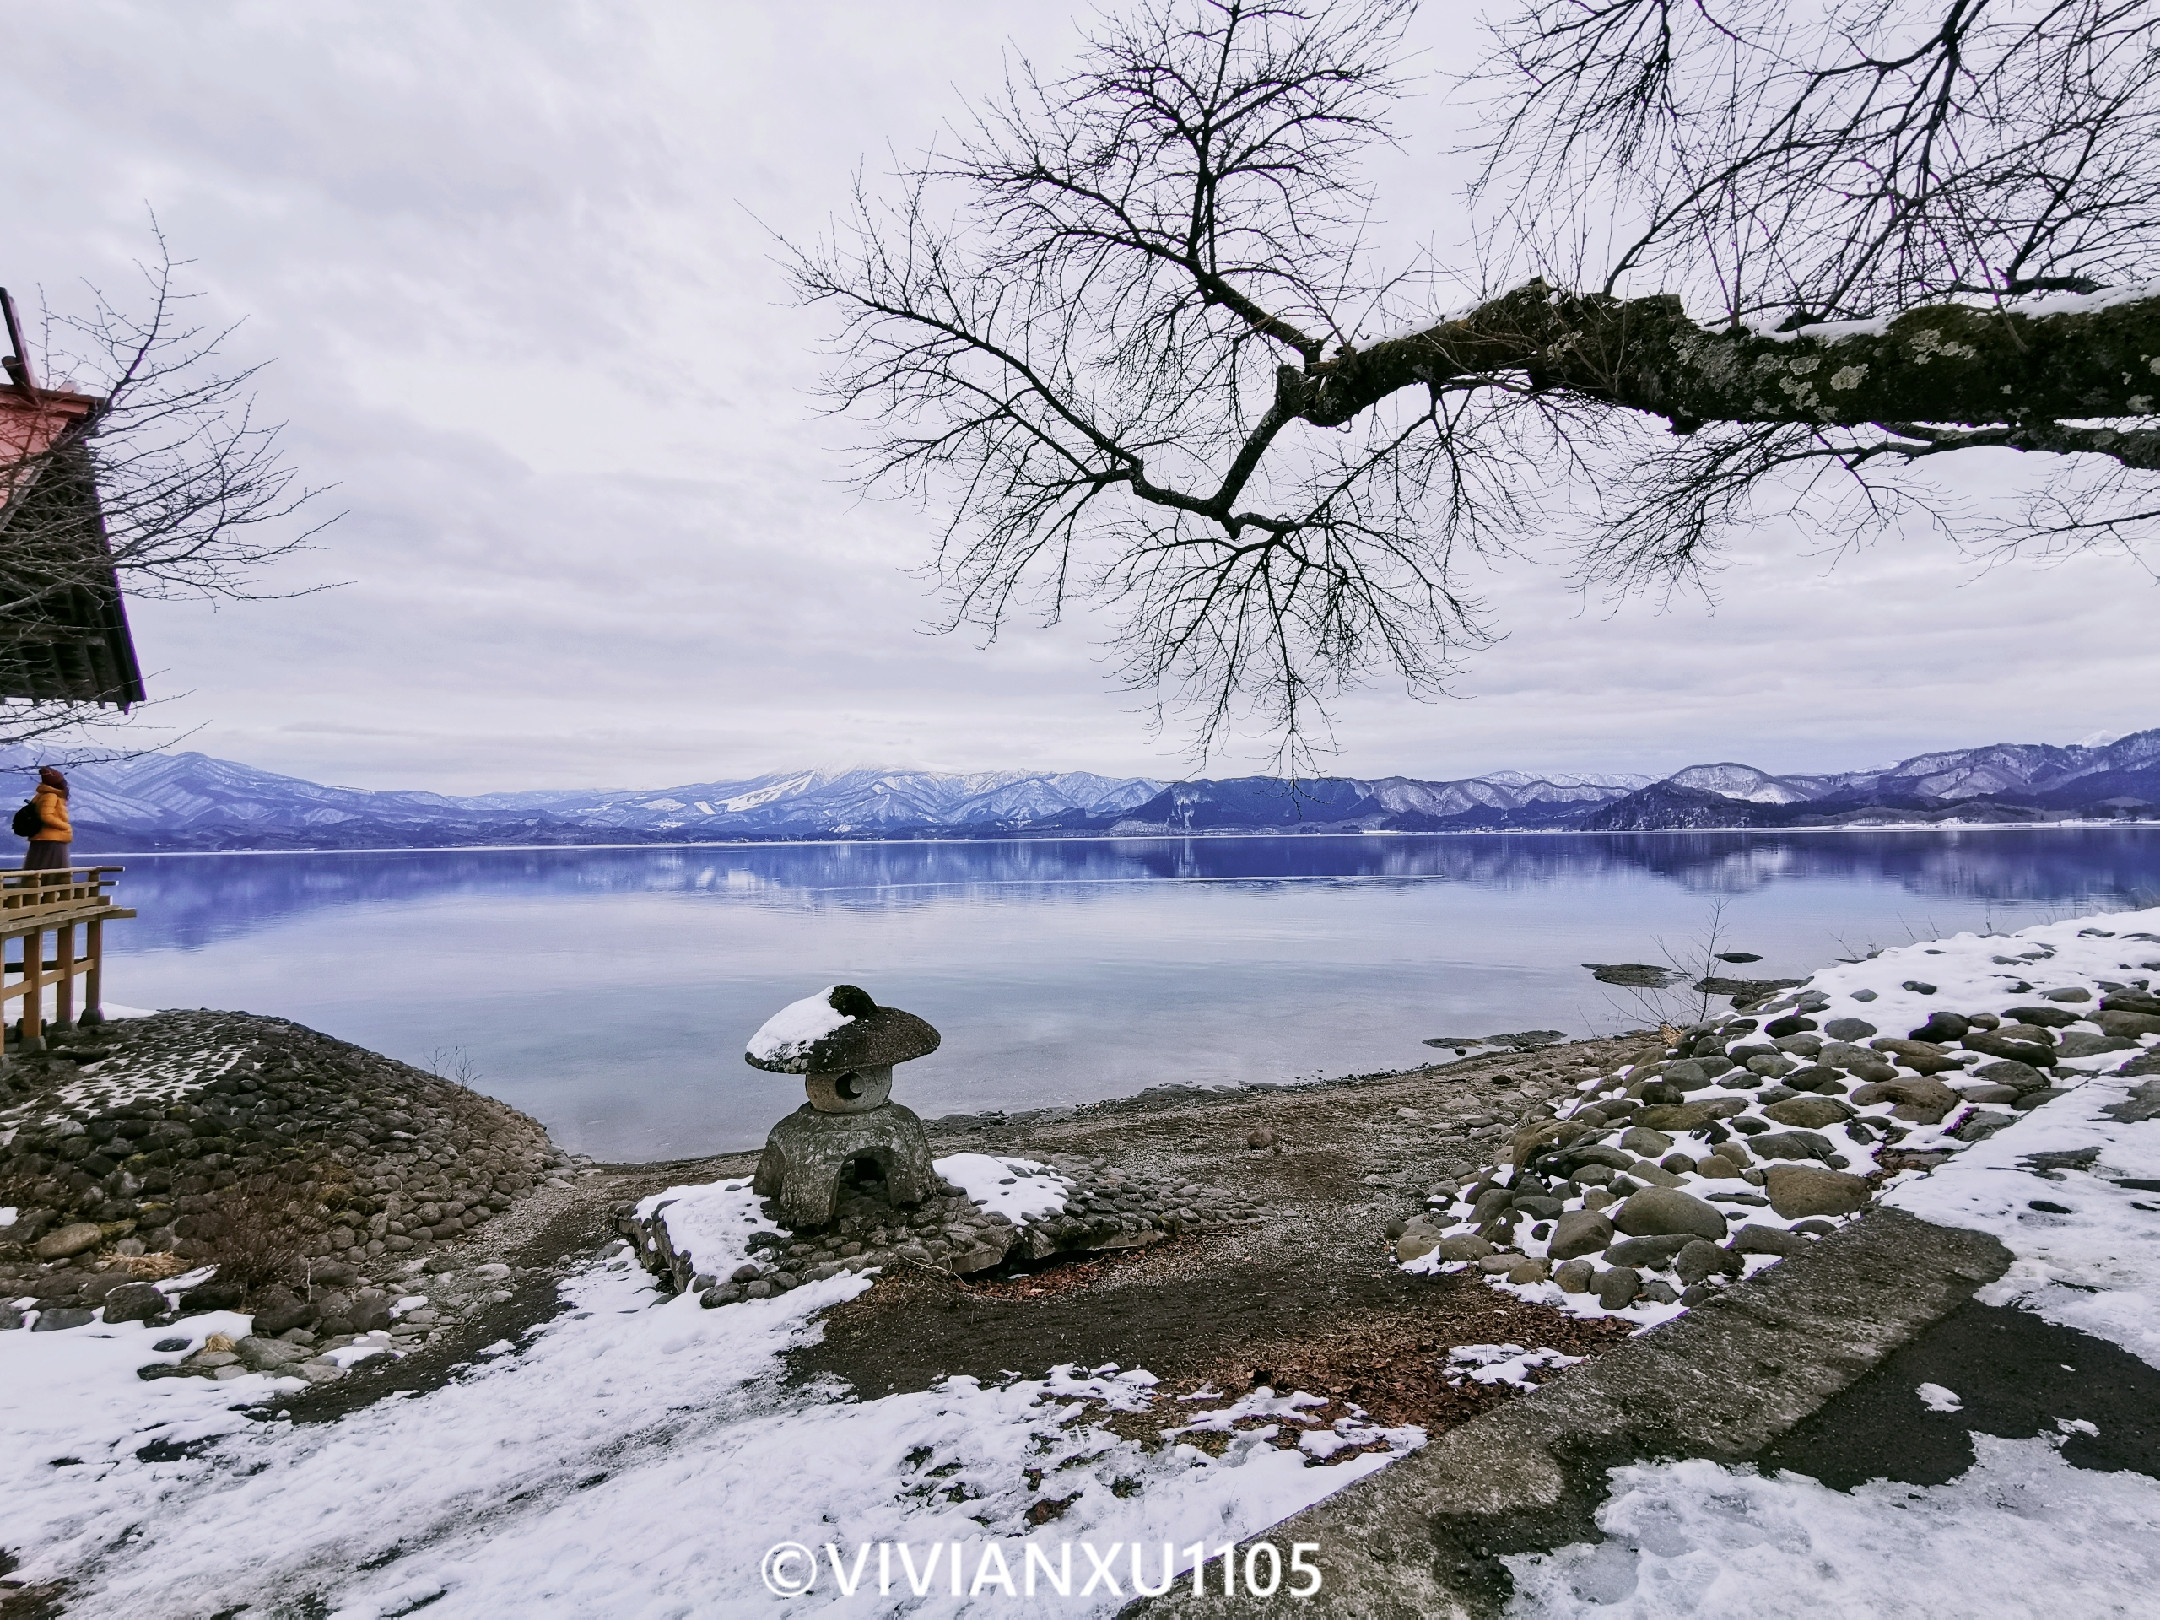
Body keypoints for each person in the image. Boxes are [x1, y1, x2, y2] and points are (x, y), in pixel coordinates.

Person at [22, 765, 72, 871]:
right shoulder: (51, 796)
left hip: (43, 838)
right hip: (52, 839)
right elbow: (45, 816)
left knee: (38, 869)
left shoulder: (42, 795)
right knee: (54, 871)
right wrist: (65, 826)